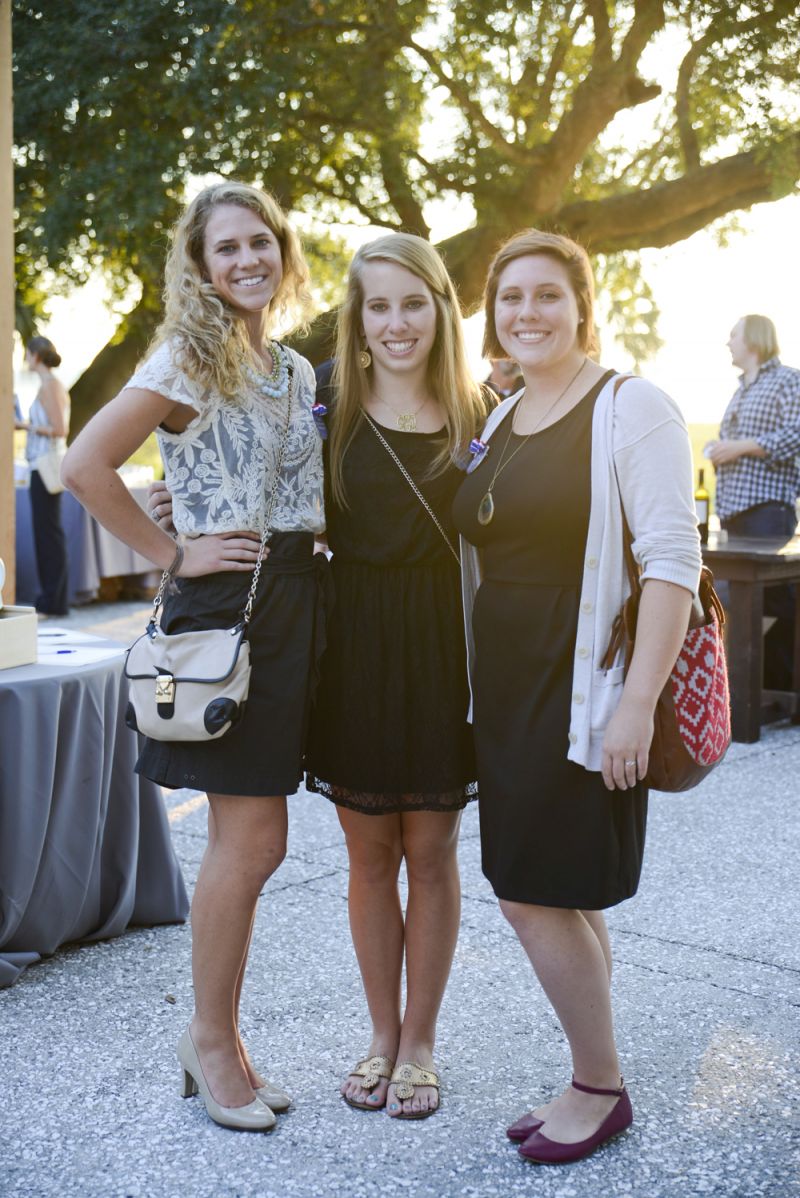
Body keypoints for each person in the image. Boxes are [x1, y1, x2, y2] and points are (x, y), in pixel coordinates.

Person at [62, 182, 327, 1132]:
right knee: (248, 841)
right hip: (225, 608)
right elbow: (82, 463)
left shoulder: (294, 368)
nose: (248, 260)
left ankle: (225, 1040)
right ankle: (210, 1041)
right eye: (227, 249)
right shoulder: (190, 355)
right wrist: (172, 547)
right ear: (202, 266)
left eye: (262, 243)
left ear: (284, 254)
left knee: (265, 840)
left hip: (297, 603)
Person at [453, 229, 701, 1164]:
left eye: (547, 295)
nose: (527, 312)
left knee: (530, 895)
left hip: (584, 680)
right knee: (562, 891)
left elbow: (673, 563)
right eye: (510, 296)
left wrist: (637, 703)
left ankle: (600, 1086)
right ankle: (592, 1068)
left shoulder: (631, 407)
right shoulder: (503, 411)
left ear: (582, 306)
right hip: (508, 682)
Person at [306, 233, 488, 1119]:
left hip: (445, 653)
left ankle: (422, 1041)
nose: (396, 321)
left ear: (442, 310)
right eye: (379, 305)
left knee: (434, 853)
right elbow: (259, 488)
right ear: (359, 318)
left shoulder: (482, 414)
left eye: (413, 302)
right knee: (369, 854)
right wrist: (177, 509)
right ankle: (381, 1034)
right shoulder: (328, 409)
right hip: (357, 652)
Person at [706, 315, 800, 689]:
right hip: (733, 512)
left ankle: (782, 689)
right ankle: (756, 687)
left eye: (733, 335)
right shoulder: (740, 389)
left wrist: (740, 447)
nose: (727, 342)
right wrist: (718, 450)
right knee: (738, 600)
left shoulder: (788, 380)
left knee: (776, 601)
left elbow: (795, 433)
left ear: (754, 341)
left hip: (768, 511)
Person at [24, 336, 71, 616]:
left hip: (45, 465)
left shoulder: (51, 386)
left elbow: (59, 429)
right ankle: (51, 598)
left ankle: (53, 601)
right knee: (47, 532)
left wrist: (25, 426)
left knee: (48, 533)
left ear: (36, 356)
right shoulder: (48, 385)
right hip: (40, 465)